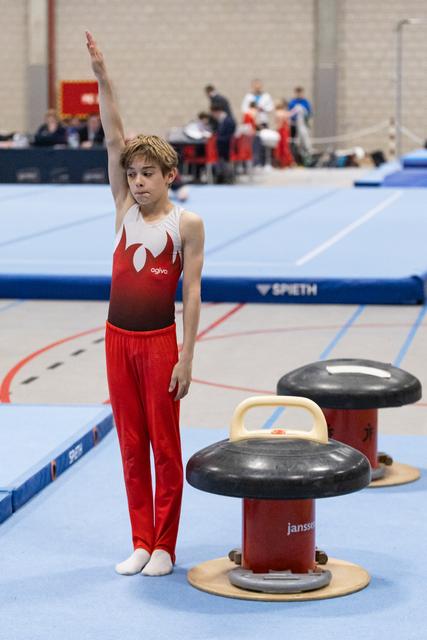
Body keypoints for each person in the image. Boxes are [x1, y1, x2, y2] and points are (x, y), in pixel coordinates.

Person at [85, 31, 204, 577]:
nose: (136, 182)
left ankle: (165, 544)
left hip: (160, 344)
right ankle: (139, 538)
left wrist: (186, 357)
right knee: (131, 445)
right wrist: (103, 77)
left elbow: (193, 291)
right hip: (117, 341)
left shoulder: (187, 224)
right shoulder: (121, 211)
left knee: (164, 445)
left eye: (146, 174)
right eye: (131, 175)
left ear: (169, 176)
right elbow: (113, 137)